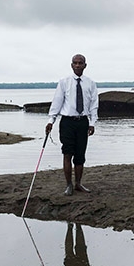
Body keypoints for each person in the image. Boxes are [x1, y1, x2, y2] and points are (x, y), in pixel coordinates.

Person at [46, 54, 98, 195]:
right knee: (67, 153)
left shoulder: (91, 83)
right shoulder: (64, 82)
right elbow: (57, 102)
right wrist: (51, 121)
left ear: (85, 65)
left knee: (80, 155)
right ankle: (69, 185)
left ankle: (78, 184)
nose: (77, 65)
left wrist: (92, 123)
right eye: (75, 63)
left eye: (80, 63)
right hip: (67, 122)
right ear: (71, 65)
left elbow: (94, 105)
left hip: (83, 122)